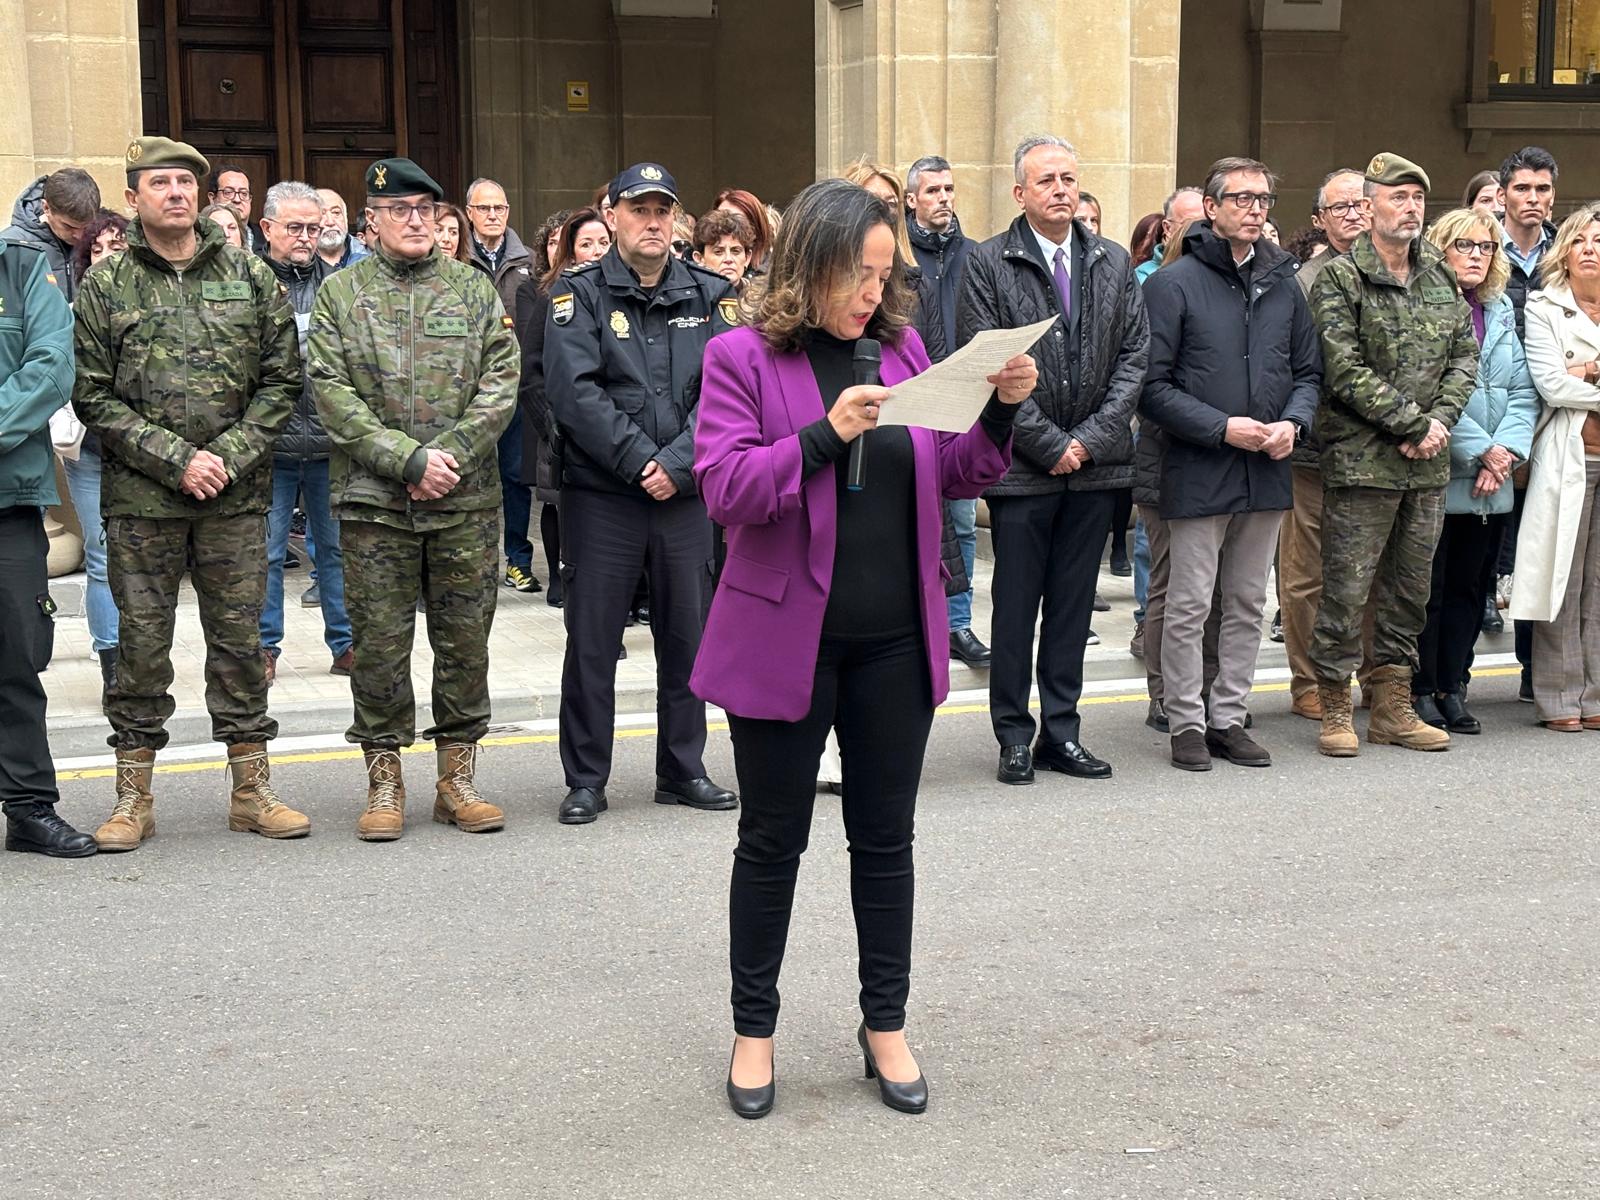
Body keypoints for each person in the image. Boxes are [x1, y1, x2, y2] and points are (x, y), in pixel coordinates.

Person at [691, 177, 1026, 1120]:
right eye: (858, 273)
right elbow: (726, 489)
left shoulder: (905, 349)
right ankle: (752, 1032)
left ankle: (886, 1023)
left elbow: (952, 468)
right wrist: (822, 436)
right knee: (771, 843)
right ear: (809, 265)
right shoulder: (740, 357)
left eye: (884, 274)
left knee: (886, 844)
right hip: (785, 641)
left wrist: (997, 411)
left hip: (892, 641)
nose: (873, 293)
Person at [74, 136, 305, 850]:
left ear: (202, 196)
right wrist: (178, 460)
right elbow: (93, 396)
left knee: (239, 645)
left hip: (234, 500)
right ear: (134, 194)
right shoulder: (106, 287)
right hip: (144, 502)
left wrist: (225, 457)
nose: (174, 192)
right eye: (159, 182)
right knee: (142, 648)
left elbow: (281, 382)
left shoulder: (249, 276)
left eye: (185, 182)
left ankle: (251, 790)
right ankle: (132, 800)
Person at [307, 157, 518, 841]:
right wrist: (408, 461)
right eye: (400, 210)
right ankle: (384, 777)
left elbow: (501, 382)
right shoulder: (342, 295)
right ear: (371, 221)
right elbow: (332, 395)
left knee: (464, 645)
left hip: (464, 501)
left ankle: (456, 777)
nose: (417, 220)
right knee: (379, 646)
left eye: (427, 209)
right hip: (375, 505)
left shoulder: (473, 289)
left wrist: (446, 458)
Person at [543, 163, 740, 826]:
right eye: (639, 210)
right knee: (593, 641)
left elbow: (727, 391)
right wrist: (639, 462)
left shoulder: (712, 296)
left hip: (685, 498)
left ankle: (682, 768)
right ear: (612, 216)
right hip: (604, 497)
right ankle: (587, 778)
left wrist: (677, 465)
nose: (653, 222)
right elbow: (574, 394)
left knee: (687, 638)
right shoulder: (580, 297)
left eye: (663, 210)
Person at [958, 134, 1148, 785]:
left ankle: (1061, 732)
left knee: (1071, 607)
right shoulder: (988, 263)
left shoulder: (1113, 261)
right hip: (1021, 471)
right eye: (1047, 180)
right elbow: (986, 359)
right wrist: (1048, 444)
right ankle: (1014, 734)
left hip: (1095, 470)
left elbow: (1134, 358)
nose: (1062, 189)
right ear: (1020, 194)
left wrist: (1089, 442)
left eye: (1069, 177)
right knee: (1015, 609)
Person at [1140, 157, 1321, 771]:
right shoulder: (1172, 284)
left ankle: (1229, 715)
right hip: (1197, 466)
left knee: (1246, 601)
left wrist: (1293, 423)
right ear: (1212, 209)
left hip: (1266, 467)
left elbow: (1307, 372)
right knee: (1191, 604)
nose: (1254, 209)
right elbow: (1152, 387)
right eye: (1241, 198)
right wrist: (1222, 428)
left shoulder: (1283, 282)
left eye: (1263, 199)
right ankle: (1186, 720)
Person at [1307, 152, 1477, 757]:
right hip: (1362, 463)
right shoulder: (1340, 278)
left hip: (1425, 462)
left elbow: (1465, 354)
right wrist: (1409, 421)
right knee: (1347, 590)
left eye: (1417, 199)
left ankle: (1393, 709)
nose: (1409, 208)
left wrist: (1438, 424)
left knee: (1410, 590)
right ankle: (1333, 706)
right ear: (1369, 204)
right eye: (1397, 196)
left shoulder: (1438, 272)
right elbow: (1341, 367)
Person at [1411, 208, 1536, 734]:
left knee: (1471, 586)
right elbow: (1429, 392)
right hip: (1442, 470)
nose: (1477, 256)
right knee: (1430, 590)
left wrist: (1506, 451)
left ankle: (1453, 687)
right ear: (1440, 249)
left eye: (1486, 247)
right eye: (1465, 246)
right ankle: (1419, 689)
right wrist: (1481, 451)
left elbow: (1524, 391)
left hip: (1494, 480)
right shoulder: (1422, 304)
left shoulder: (1501, 309)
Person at [0, 228, 97, 857]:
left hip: (7, 498)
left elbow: (52, 365)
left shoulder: (21, 268)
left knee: (16, 655)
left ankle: (30, 808)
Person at [1281, 167, 1374, 721]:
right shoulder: (1302, 282)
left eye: (1364, 204)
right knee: (1306, 575)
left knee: (1371, 571)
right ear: (1320, 220)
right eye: (1341, 208)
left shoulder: (1401, 272)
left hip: (1380, 454)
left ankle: (1369, 675)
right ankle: (1309, 680)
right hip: (1314, 453)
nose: (1356, 215)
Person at [257, 181, 353, 684]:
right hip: (270, 447)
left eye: (313, 228)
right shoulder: (249, 282)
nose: (305, 237)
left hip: (330, 445)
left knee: (336, 549)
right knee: (268, 553)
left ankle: (346, 644)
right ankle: (264, 648)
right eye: (294, 227)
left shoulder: (340, 285)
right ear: (266, 227)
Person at [1509, 205, 1600, 731]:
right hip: (1570, 459)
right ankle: (1560, 698)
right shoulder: (1544, 306)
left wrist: (1586, 369)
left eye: (1598, 240)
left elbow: (1575, 382)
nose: (1589, 248)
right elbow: (1551, 384)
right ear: (1564, 251)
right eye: (1579, 240)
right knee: (1562, 581)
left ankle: (1596, 693)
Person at [902, 154, 987, 665]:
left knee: (961, 520)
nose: (944, 199)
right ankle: (921, 616)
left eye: (949, 189)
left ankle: (958, 621)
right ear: (912, 200)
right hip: (913, 396)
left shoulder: (974, 254)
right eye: (932, 191)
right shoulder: (899, 257)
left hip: (965, 401)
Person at [515, 206, 612, 611]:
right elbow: (531, 371)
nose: (596, 251)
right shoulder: (555, 296)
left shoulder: (628, 295)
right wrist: (554, 431)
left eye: (603, 243)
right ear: (569, 252)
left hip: (621, 438)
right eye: (586, 244)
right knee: (578, 534)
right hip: (572, 441)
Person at [1497, 146, 1560, 702]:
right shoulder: (1479, 247)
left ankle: (1534, 668)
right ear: (1504, 194)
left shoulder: (1570, 251)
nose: (1533, 199)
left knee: (1542, 544)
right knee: (1490, 545)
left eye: (1542, 190)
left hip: (1556, 415)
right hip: (1493, 415)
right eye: (1523, 189)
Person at [61, 211, 129, 689]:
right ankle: (112, 661)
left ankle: (144, 656)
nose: (105, 258)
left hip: (142, 452)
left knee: (141, 559)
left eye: (116, 247)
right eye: (96, 250)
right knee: (102, 554)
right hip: (90, 451)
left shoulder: (151, 309)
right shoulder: (69, 312)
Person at [464, 177, 539, 595]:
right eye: (485, 208)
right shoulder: (458, 259)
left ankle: (518, 560)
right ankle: (476, 562)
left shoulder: (527, 261)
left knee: (514, 475)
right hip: (468, 393)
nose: (493, 215)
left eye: (500, 208)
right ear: (470, 212)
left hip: (513, 390)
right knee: (472, 477)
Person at [0, 167, 99, 302]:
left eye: (86, 227)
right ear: (46, 208)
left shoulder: (101, 240)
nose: (80, 236)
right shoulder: (10, 246)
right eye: (69, 226)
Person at [1134, 186, 1203, 285]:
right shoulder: (1143, 277)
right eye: (1189, 224)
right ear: (1167, 228)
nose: (1200, 231)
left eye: (1205, 224)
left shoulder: (1220, 269)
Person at [691, 207, 754, 288]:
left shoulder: (763, 298)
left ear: (747, 258)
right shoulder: (689, 299)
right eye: (718, 252)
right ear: (699, 259)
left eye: (736, 251)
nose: (728, 259)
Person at [715, 187, 774, 272]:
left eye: (738, 220)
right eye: (720, 218)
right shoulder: (698, 269)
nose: (726, 226)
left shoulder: (774, 274)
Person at [206, 166, 260, 251]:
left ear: (250, 199)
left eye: (243, 193)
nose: (237, 199)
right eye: (228, 192)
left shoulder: (269, 240)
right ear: (212, 198)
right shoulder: (197, 240)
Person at [314, 188, 369, 270]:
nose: (330, 222)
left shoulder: (367, 254)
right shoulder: (298, 261)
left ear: (346, 219)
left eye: (336, 213)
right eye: (321, 215)